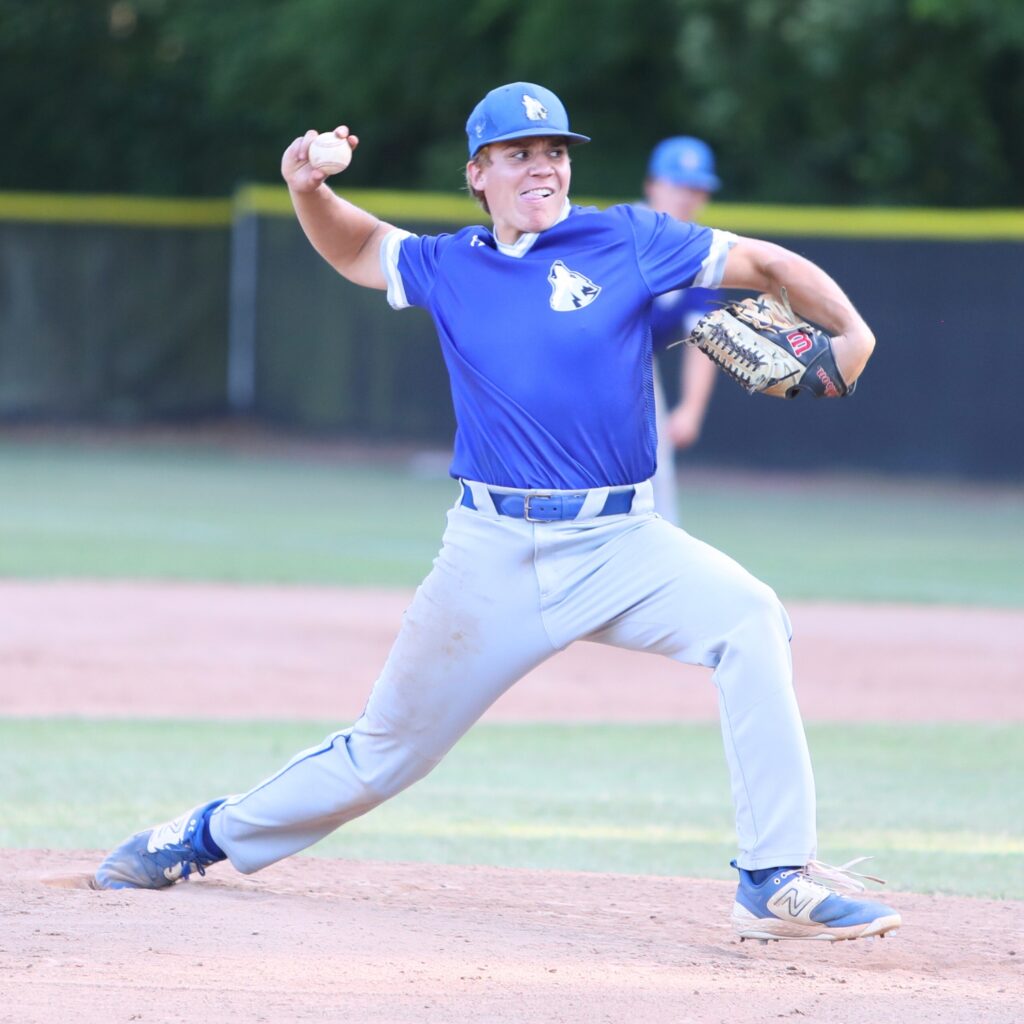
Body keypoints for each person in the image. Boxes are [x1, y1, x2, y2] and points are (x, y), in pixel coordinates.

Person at [94, 82, 900, 944]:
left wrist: (851, 330)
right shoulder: (451, 267)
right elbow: (359, 247)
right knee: (383, 756)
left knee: (749, 617)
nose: (543, 166)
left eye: (554, 151)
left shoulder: (627, 238)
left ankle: (774, 876)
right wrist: (307, 189)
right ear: (478, 174)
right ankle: (200, 836)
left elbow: (770, 267)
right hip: (490, 552)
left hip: (619, 542)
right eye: (519, 154)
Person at [642, 137, 723, 524]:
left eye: (697, 188)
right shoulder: (619, 233)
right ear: (653, 185)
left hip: (636, 370)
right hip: (572, 364)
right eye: (679, 185)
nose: (687, 197)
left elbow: (702, 340)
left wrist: (691, 409)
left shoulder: (701, 254)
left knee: (656, 474)